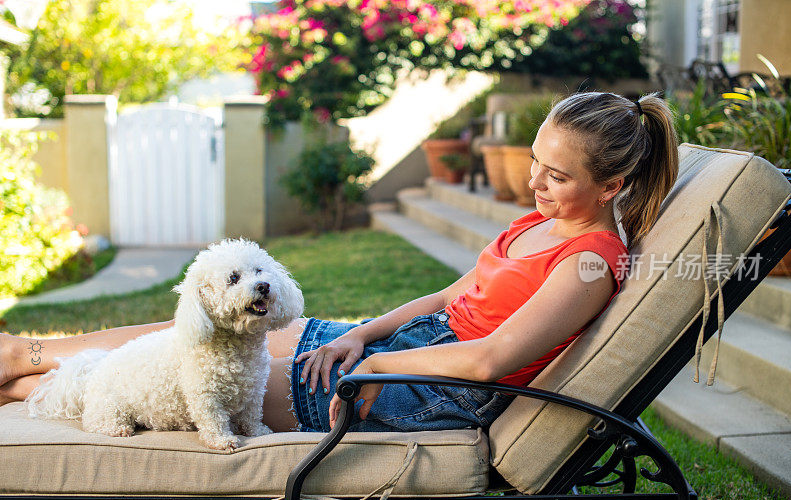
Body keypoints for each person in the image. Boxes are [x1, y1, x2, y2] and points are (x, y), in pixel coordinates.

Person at [0, 91, 678, 435]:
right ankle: (30, 354)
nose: (533, 180)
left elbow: (487, 361)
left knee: (187, 376)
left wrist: (376, 363)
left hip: (432, 389)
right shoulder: (540, 222)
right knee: (199, 336)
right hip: (407, 353)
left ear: (611, 186)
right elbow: (449, 295)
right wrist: (363, 333)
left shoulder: (590, 263)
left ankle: (21, 385)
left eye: (555, 175)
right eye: (534, 160)